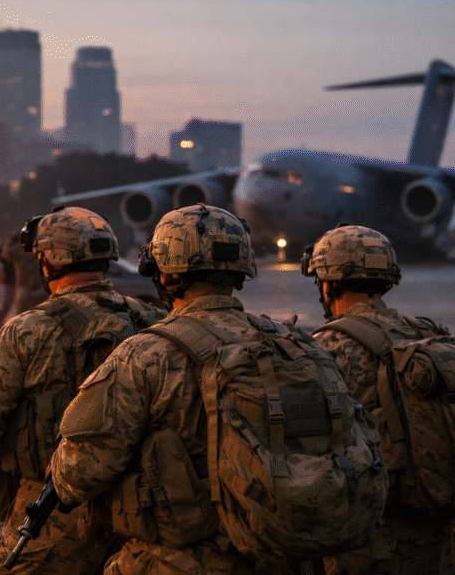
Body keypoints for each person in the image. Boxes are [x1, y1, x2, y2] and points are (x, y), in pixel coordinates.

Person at [50, 205, 285, 575]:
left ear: (165, 273)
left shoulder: (142, 356)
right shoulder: (292, 345)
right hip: (280, 554)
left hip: (181, 560)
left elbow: (81, 472)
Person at [0, 207, 165, 575]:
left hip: (55, 509)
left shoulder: (25, 331)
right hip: (141, 508)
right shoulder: (151, 320)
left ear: (47, 262)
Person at [301, 225, 455, 575]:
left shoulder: (324, 348)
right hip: (437, 538)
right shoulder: (430, 334)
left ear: (327, 283)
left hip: (364, 544)